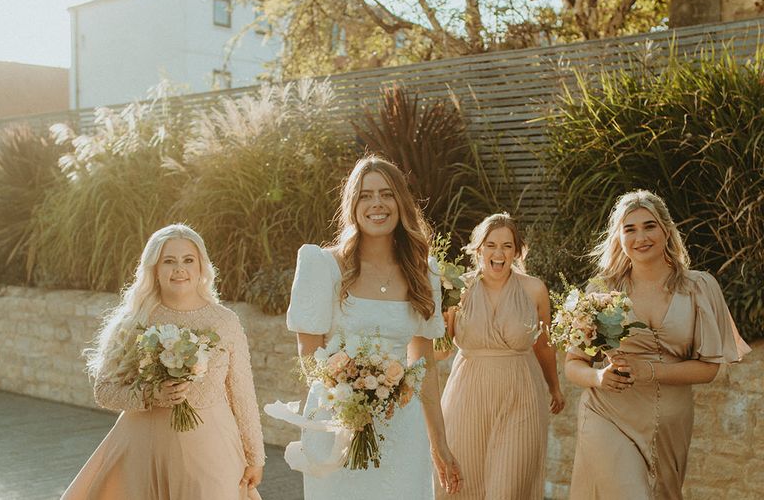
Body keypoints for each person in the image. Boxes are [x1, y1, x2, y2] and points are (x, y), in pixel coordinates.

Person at [282, 155, 462, 499]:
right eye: (365, 195)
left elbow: (423, 366)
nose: (376, 204)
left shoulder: (424, 273)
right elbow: (309, 352)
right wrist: (346, 396)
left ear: (401, 203)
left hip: (401, 424)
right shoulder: (324, 266)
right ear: (352, 205)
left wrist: (439, 442)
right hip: (338, 419)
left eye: (386, 194)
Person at [565, 190, 750, 499]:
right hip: (606, 413)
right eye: (630, 229)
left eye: (649, 226)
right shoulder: (599, 290)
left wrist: (647, 369)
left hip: (671, 423)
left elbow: (709, 370)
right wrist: (598, 377)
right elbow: (573, 365)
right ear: (618, 237)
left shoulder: (699, 288)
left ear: (666, 230)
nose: (641, 237)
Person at [62, 224, 266, 500]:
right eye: (168, 261)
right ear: (155, 270)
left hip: (212, 447)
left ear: (201, 268)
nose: (179, 269)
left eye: (188, 260)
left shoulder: (225, 322)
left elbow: (242, 393)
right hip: (144, 447)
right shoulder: (135, 320)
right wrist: (152, 394)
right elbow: (104, 391)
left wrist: (256, 455)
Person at [436, 213, 565, 500]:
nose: (499, 253)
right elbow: (442, 349)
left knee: (509, 487)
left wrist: (554, 386)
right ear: (478, 249)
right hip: (467, 395)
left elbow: (543, 345)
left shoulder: (534, 289)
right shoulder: (456, 289)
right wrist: (434, 316)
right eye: (491, 245)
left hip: (521, 394)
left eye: (507, 246)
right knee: (463, 485)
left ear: (517, 251)